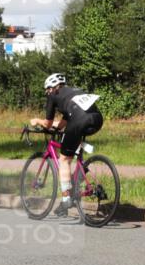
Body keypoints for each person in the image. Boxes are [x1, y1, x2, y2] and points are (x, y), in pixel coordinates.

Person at [28, 73, 103, 215]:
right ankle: (79, 175)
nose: (47, 92)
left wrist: (36, 121)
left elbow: (47, 123)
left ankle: (66, 198)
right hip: (97, 119)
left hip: (79, 119)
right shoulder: (73, 92)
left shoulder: (53, 95)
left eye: (47, 89)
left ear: (52, 87)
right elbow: (63, 122)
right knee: (74, 148)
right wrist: (56, 129)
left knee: (64, 159)